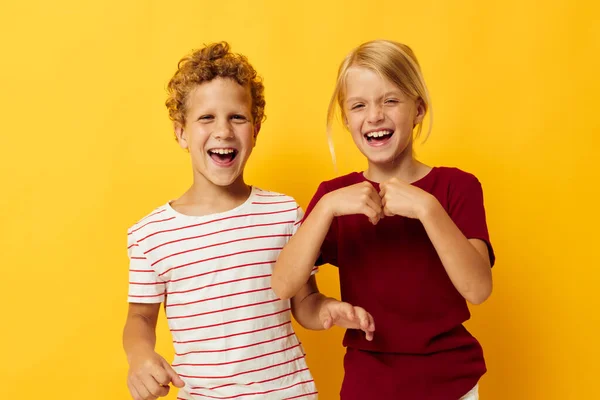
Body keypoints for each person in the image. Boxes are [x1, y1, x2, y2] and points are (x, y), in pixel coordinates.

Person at [122, 41, 373, 400]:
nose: (223, 130)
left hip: (288, 393)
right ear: (181, 132)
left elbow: (305, 302)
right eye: (206, 117)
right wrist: (140, 355)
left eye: (237, 117)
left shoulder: (284, 213)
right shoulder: (150, 234)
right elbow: (139, 320)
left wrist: (330, 309)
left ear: (254, 131)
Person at [272, 39, 495, 400]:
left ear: (418, 109)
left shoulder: (457, 187)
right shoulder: (336, 196)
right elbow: (284, 286)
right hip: (368, 384)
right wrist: (327, 207)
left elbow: (478, 289)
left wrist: (428, 209)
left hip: (453, 383)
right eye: (359, 105)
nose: (374, 115)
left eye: (390, 100)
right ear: (347, 120)